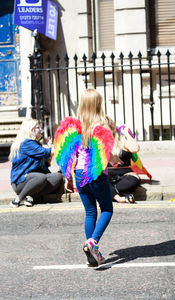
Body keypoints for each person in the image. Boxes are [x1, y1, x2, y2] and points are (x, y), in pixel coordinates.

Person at [54, 89, 114, 267]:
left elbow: (69, 153)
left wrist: (68, 177)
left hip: (78, 174)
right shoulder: (101, 126)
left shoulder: (75, 127)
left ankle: (92, 253)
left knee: (89, 212)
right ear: (98, 105)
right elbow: (105, 155)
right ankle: (93, 242)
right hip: (94, 174)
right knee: (107, 210)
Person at [9, 119, 63, 208]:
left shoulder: (35, 144)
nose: (40, 129)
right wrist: (56, 147)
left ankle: (31, 196)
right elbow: (46, 152)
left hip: (34, 179)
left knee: (57, 177)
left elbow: (43, 165)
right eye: (38, 127)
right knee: (40, 177)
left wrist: (49, 155)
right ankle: (18, 199)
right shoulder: (26, 143)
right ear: (30, 130)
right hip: (21, 182)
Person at [106, 116, 141, 203]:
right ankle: (119, 198)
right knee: (97, 179)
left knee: (134, 180)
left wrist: (126, 133)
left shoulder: (122, 140)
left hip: (124, 175)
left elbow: (135, 148)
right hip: (107, 175)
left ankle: (109, 192)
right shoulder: (98, 142)